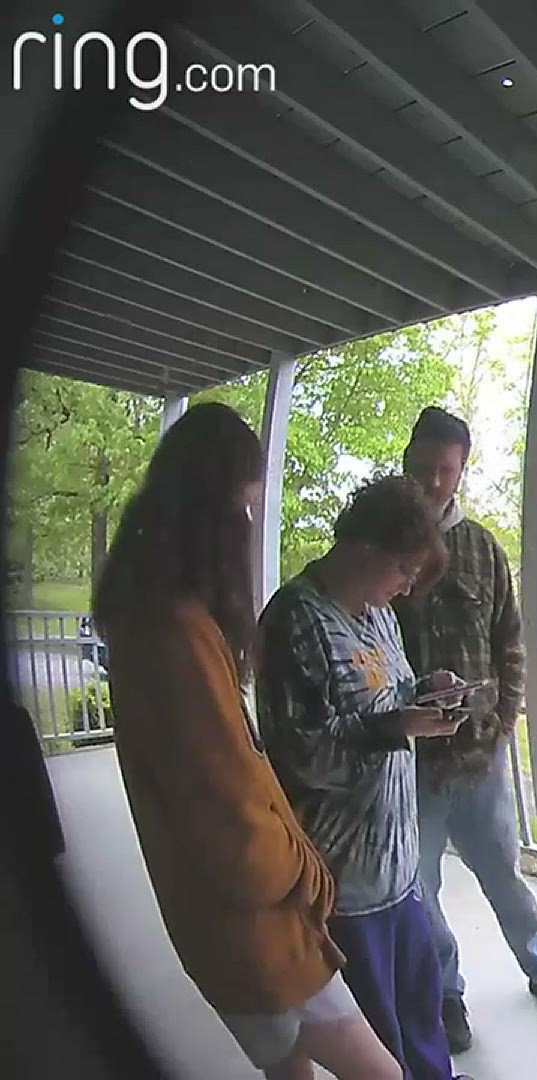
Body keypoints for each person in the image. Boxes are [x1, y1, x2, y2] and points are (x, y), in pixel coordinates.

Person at [93, 403, 401, 1079]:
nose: (249, 525)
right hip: (255, 924)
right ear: (216, 511)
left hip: (216, 919)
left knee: (288, 1070)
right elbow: (228, 809)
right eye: (245, 508)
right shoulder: (175, 635)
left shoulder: (157, 620)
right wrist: (304, 873)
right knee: (382, 1074)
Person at [392, 407, 537, 1055]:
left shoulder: (483, 548)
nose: (435, 481)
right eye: (424, 467)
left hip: (480, 755)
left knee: (505, 873)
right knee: (419, 887)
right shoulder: (385, 546)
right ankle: (447, 993)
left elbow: (510, 640)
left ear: (462, 470)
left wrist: (502, 720)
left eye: (447, 470)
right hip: (408, 759)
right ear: (406, 462)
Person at [257, 475, 470, 1080]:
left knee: (422, 1017)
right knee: (380, 1044)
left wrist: (427, 694)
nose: (405, 589)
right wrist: (393, 727)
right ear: (367, 548)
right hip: (344, 885)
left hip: (401, 872)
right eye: (403, 570)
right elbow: (296, 758)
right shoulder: (296, 620)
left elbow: (390, 692)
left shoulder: (378, 615)